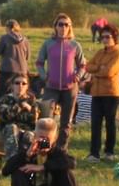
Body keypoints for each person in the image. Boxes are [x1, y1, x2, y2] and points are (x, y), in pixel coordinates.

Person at [1, 116, 79, 186]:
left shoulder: (57, 152)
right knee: (19, 171)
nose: (43, 142)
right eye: (40, 138)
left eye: (47, 139)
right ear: (34, 136)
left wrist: (43, 167)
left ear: (54, 139)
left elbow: (72, 162)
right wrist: (27, 155)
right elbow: (6, 170)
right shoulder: (26, 151)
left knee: (65, 172)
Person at [34, 15, 85, 149]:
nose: (63, 27)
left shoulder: (75, 45)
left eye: (66, 25)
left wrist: (78, 77)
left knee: (66, 122)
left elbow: (83, 65)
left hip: (70, 88)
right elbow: (39, 63)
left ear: (70, 27)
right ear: (55, 26)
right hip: (51, 87)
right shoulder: (48, 44)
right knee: (46, 119)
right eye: (60, 24)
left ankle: (61, 149)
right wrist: (44, 76)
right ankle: (44, 147)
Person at [84, 27, 119, 163]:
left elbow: (110, 71)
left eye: (108, 37)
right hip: (96, 92)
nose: (105, 39)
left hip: (111, 93)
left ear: (114, 37)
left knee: (110, 122)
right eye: (102, 37)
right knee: (95, 123)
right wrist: (99, 68)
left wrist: (97, 70)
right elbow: (88, 66)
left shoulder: (118, 53)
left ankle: (109, 151)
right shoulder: (100, 52)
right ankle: (94, 153)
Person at [0, 19, 30, 97]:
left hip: (7, 70)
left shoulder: (5, 38)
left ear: (8, 28)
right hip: (22, 71)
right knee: (20, 94)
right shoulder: (25, 40)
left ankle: (4, 108)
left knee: (3, 94)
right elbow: (27, 56)